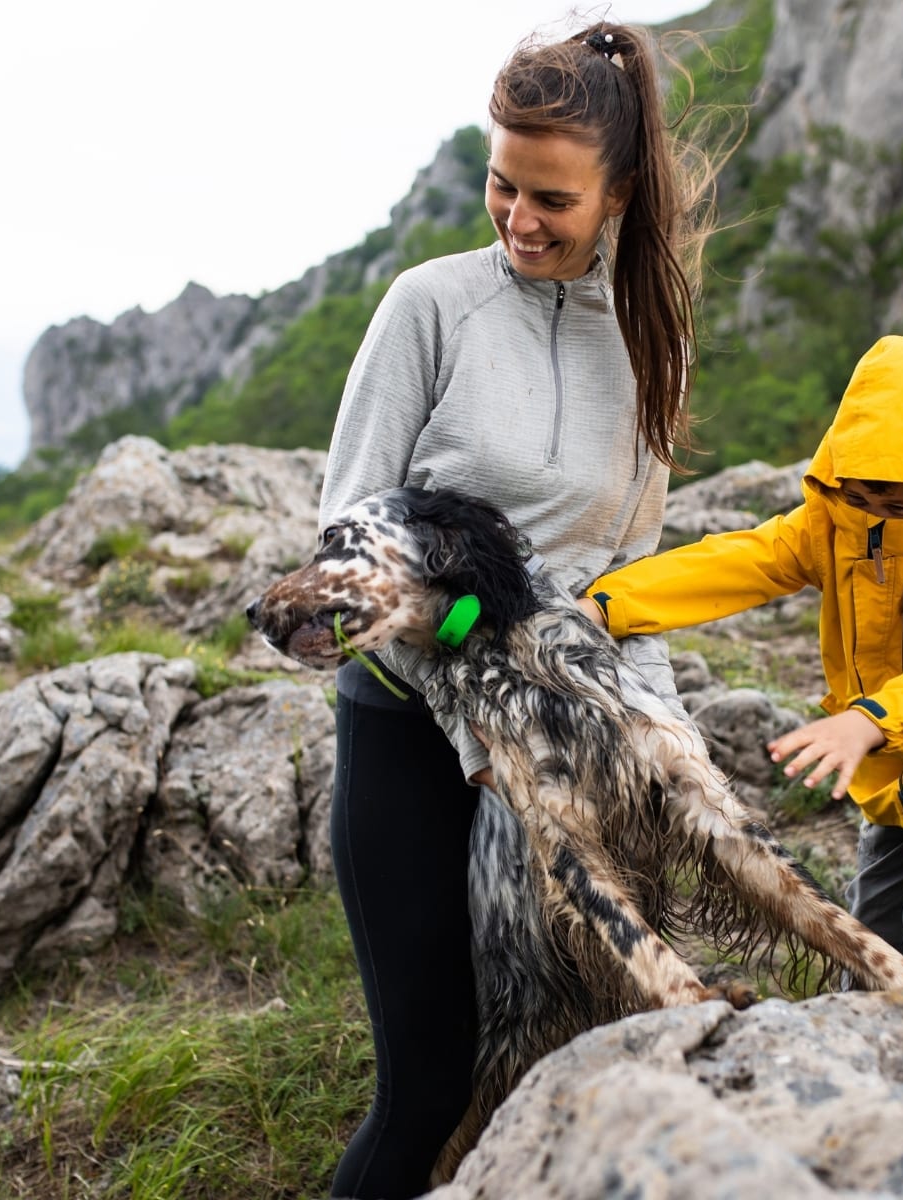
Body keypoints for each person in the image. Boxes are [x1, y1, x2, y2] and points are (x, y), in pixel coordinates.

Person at [317, 22, 714, 1198]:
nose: (519, 216)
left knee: (574, 1064)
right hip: (411, 738)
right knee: (431, 1092)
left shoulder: (653, 337)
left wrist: (652, 739)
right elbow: (347, 551)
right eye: (501, 183)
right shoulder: (428, 307)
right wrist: (465, 688)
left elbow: (623, 574)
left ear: (619, 193)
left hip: (561, 743)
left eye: (552, 196)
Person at [580, 335, 903, 985]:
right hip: (894, 754)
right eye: (864, 496)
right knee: (874, 915)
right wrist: (609, 603)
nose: (876, 516)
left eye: (899, 506)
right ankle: (853, 1031)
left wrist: (869, 721)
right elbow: (741, 562)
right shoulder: (834, 522)